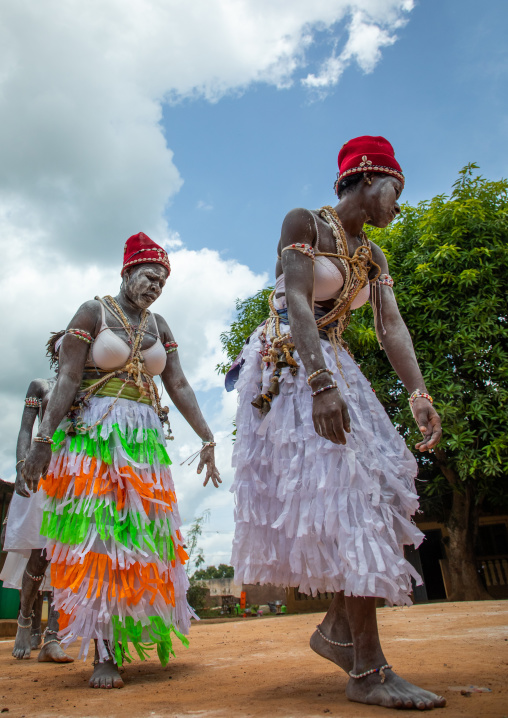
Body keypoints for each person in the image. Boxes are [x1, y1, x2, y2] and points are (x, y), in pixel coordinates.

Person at [229, 137, 446, 710]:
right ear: (367, 179)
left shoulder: (372, 256)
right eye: (396, 192)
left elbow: (390, 326)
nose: (398, 206)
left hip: (333, 362)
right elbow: (297, 301)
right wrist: (321, 383)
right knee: (351, 497)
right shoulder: (305, 223)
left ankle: (336, 633)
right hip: (289, 367)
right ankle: (367, 672)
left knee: (372, 493)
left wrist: (418, 394)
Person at [22, 232, 221, 689]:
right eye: (150, 276)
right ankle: (103, 654)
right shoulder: (93, 313)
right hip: (94, 441)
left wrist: (207, 436)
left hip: (144, 443)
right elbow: (69, 377)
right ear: (128, 271)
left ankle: (124, 635)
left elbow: (180, 384)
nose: (156, 286)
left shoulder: (161, 325)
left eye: (163, 281)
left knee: (141, 546)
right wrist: (43, 439)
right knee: (102, 544)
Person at [1, 351, 74, 663]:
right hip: (42, 472)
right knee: (41, 554)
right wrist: (21, 465)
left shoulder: (87, 388)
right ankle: (25, 622)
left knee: (66, 556)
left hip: (76, 475)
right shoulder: (40, 386)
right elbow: (25, 429)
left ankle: (52, 636)